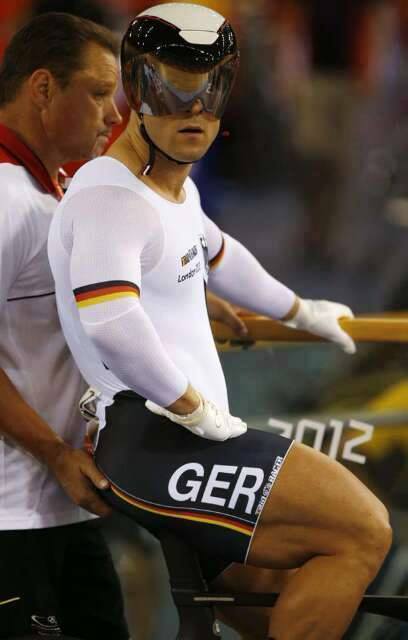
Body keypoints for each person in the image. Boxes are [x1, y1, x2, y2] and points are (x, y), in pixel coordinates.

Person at [48, 4, 392, 639]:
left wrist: (303, 312)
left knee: (271, 599)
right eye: (171, 89)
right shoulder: (111, 198)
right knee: (364, 529)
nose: (194, 110)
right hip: (159, 435)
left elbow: (220, 254)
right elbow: (112, 322)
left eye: (210, 90)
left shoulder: (170, 187)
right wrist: (192, 407)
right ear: (135, 89)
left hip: (180, 437)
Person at [0, 13, 132, 640]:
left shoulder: (57, 190)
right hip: (11, 514)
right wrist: (54, 453)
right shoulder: (5, 199)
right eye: (100, 93)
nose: (115, 114)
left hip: (62, 504)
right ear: (44, 88)